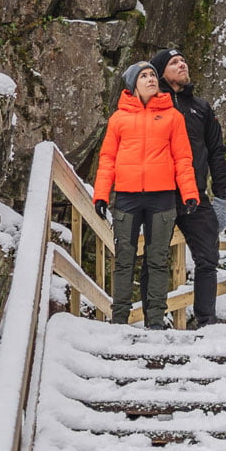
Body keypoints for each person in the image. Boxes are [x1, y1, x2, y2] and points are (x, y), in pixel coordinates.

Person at [93, 61, 200, 326]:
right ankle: (119, 320)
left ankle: (155, 321)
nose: (151, 79)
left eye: (153, 74)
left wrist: (189, 193)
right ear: (132, 84)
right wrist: (101, 195)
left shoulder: (173, 116)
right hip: (127, 198)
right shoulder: (118, 119)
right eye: (144, 76)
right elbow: (107, 158)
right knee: (124, 259)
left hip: (161, 198)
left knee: (158, 260)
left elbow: (182, 158)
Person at [150, 48, 226, 330]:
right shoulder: (151, 105)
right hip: (159, 195)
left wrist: (221, 197)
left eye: (183, 60)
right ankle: (154, 321)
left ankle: (206, 320)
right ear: (161, 73)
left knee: (208, 258)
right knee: (154, 257)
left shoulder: (201, 107)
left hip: (195, 196)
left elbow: (216, 152)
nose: (182, 64)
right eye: (174, 62)